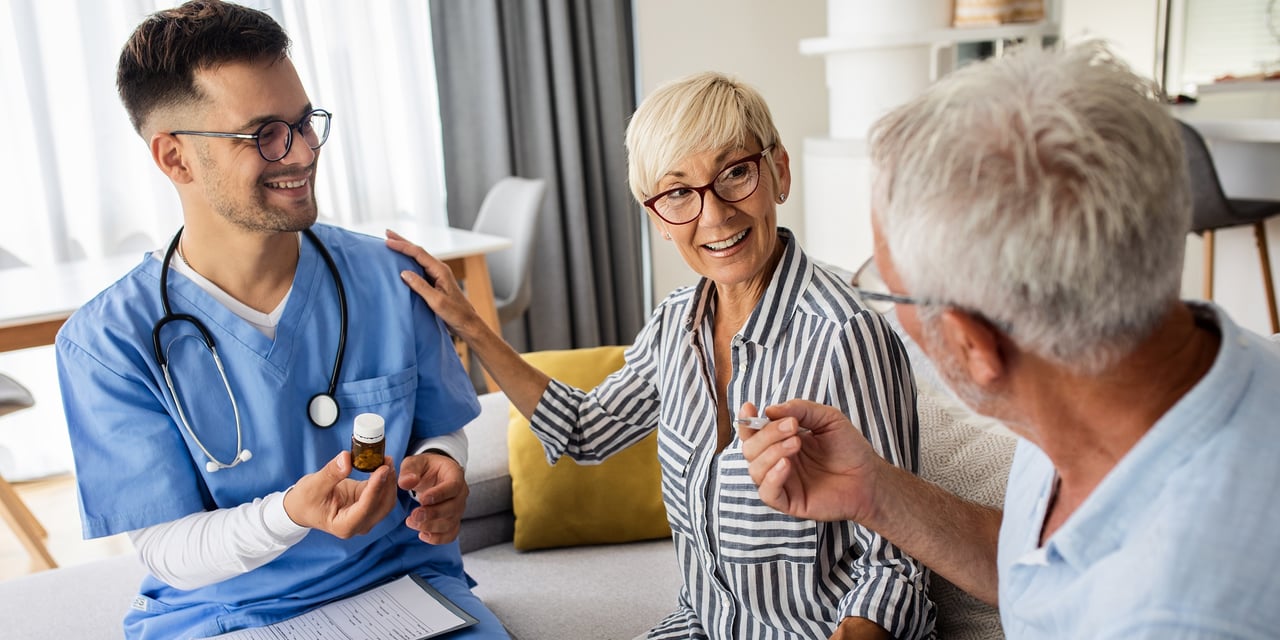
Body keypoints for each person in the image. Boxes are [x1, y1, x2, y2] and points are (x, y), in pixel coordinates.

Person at [739, 42, 1280, 638]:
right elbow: (1041, 574)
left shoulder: (1178, 612)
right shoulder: (1101, 372)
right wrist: (876, 493)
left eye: (890, 291)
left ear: (976, 345)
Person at [387, 71, 935, 639]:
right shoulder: (677, 321)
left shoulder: (846, 334)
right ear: (657, 218)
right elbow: (583, 429)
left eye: (735, 173)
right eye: (679, 193)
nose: (715, 215)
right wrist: (472, 325)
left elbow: (895, 564)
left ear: (779, 172)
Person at [54, 2, 507, 638]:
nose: (301, 152)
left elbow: (439, 428)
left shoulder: (389, 278)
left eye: (304, 122)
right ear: (175, 159)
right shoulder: (106, 343)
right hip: (224, 616)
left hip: (402, 589)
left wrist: (439, 463)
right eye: (264, 132)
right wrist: (291, 514)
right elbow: (167, 551)